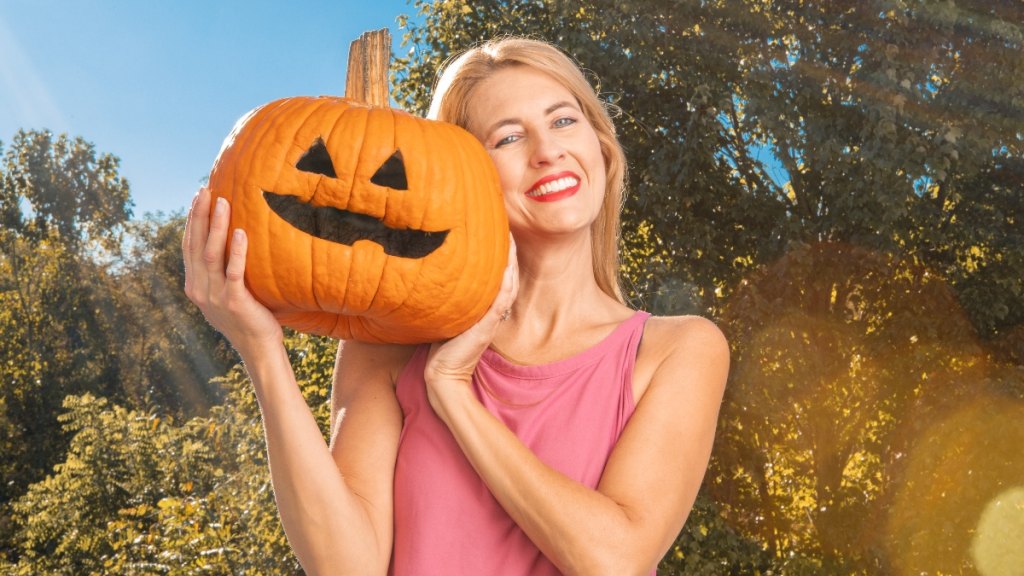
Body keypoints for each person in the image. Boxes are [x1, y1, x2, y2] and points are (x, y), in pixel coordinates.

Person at [183, 37, 729, 576]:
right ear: (463, 176)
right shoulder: (388, 346)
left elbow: (618, 560)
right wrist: (262, 352)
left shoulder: (677, 350)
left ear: (602, 148)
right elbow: (346, 565)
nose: (547, 151)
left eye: (564, 121)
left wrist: (452, 392)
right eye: (508, 137)